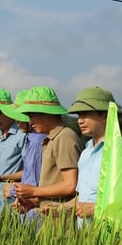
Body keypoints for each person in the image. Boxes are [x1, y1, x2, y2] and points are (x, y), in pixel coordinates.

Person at [64, 87, 122, 229]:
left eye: (85, 114)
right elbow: (85, 197)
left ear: (105, 116)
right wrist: (62, 207)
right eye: (79, 115)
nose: (80, 121)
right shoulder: (86, 152)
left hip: (114, 236)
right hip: (85, 235)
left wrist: (97, 208)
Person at [13, 86, 82, 220]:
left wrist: (33, 191)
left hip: (63, 224)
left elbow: (70, 185)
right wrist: (33, 203)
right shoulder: (50, 139)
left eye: (32, 116)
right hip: (50, 220)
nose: (30, 122)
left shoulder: (64, 137)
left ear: (47, 113)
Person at [1, 89, 47, 224]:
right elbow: (28, 173)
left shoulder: (37, 142)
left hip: (34, 211)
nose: (17, 122)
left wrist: (13, 191)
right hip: (27, 208)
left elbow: (34, 182)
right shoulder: (32, 139)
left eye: (21, 118)